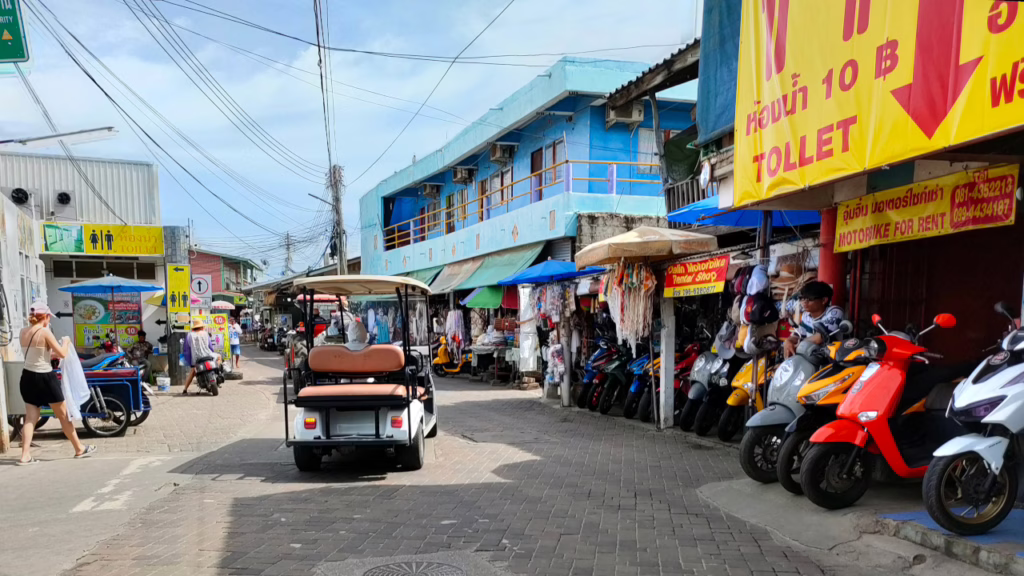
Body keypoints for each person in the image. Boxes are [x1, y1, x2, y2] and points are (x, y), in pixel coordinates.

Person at [17, 300, 95, 464]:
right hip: (45, 377)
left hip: (27, 377)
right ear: (44, 316)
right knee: (63, 416)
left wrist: (50, 354)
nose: (49, 320)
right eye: (48, 317)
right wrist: (66, 343)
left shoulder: (23, 331)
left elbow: (36, 354)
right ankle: (79, 449)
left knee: (31, 417)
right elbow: (62, 354)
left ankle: (25, 456)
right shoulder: (45, 332)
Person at [783, 281, 845, 358]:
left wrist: (800, 344)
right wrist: (789, 341)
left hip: (831, 358)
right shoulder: (806, 315)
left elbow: (821, 337)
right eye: (803, 298)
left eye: (809, 299)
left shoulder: (835, 312)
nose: (804, 302)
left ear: (824, 300)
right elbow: (798, 335)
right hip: (811, 356)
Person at [182, 316, 221, 395]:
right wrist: (211, 353)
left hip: (196, 358)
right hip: (208, 355)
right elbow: (210, 347)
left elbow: (187, 349)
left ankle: (185, 389)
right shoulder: (205, 334)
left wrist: (190, 361)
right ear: (202, 327)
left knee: (193, 371)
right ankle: (218, 372)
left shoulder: (189, 335)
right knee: (219, 356)